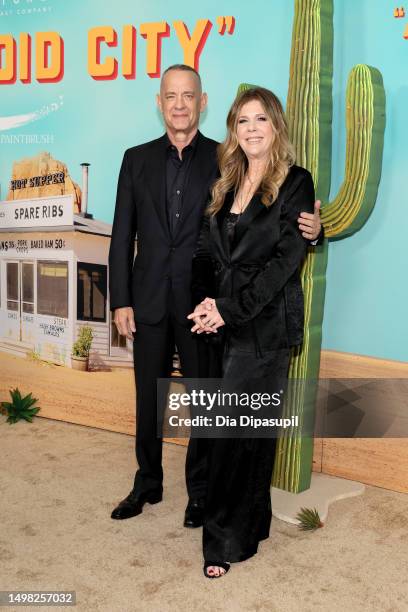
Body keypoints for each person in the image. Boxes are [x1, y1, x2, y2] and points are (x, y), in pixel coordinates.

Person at [108, 65, 322, 527]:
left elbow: (265, 223)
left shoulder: (226, 160)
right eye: (171, 96)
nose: (179, 104)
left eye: (189, 95)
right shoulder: (135, 159)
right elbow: (122, 234)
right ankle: (147, 482)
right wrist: (120, 300)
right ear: (159, 102)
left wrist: (316, 230)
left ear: (203, 103)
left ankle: (199, 494)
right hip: (146, 302)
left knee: (203, 403)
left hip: (202, 306)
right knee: (149, 398)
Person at [187, 86, 317, 578]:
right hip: (219, 321)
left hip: (264, 325)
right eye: (242, 121)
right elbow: (203, 249)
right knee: (244, 433)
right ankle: (252, 525)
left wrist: (230, 310)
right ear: (233, 131)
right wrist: (205, 303)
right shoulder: (225, 180)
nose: (252, 129)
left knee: (237, 435)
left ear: (276, 126)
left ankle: (220, 543)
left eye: (260, 119)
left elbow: (286, 260)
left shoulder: (295, 181)